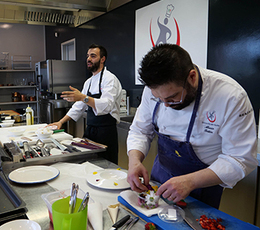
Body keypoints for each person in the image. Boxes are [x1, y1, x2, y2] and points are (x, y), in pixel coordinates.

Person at [126, 44, 257, 209]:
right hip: (161, 173)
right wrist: (134, 161)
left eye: (172, 97)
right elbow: (140, 130)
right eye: (159, 99)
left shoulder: (231, 96)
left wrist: (190, 181)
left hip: (203, 184)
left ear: (192, 77)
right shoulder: (154, 89)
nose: (165, 105)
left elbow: (240, 158)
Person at [49, 44, 123, 164]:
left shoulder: (110, 79)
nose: (88, 59)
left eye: (93, 56)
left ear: (102, 59)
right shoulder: (88, 82)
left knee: (106, 164)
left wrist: (83, 98)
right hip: (90, 131)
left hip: (106, 132)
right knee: (89, 163)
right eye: (88, 56)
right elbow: (78, 107)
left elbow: (107, 105)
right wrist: (60, 122)